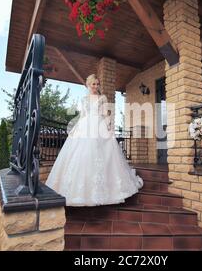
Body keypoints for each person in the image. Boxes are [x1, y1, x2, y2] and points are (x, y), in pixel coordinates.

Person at [46, 74, 143, 206]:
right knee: (82, 155)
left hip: (99, 126)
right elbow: (82, 115)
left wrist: (109, 127)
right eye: (93, 84)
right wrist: (75, 128)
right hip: (85, 126)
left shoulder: (102, 98)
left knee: (103, 154)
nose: (96, 86)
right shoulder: (84, 99)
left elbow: (105, 114)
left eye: (97, 84)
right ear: (88, 85)